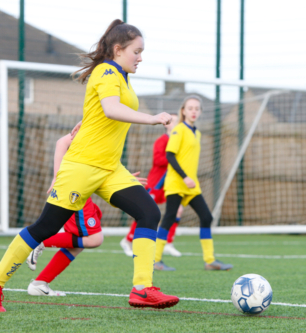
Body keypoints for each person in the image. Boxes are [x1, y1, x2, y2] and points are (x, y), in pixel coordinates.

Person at [0, 19, 179, 312]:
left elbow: (101, 115)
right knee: (45, 227)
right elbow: (111, 110)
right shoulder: (106, 71)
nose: (140, 57)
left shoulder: (121, 76)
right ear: (119, 49)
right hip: (82, 166)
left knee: (149, 212)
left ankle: (142, 289)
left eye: (142, 52)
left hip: (110, 168)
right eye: (137, 51)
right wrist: (153, 118)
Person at [25, 132, 147, 297]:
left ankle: (40, 283)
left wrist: (120, 179)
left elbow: (97, 164)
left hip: (82, 189)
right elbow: (62, 142)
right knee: (94, 238)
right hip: (75, 190)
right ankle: (39, 241)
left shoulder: (111, 129)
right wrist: (57, 177)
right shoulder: (97, 120)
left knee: (79, 243)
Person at [153, 95, 233, 271]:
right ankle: (155, 260)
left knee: (206, 217)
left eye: (197, 108)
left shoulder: (196, 132)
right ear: (183, 111)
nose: (194, 111)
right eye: (190, 108)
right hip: (176, 182)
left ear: (200, 112)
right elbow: (170, 155)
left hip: (192, 185)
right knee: (169, 218)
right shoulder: (178, 129)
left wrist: (190, 179)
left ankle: (210, 261)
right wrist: (184, 177)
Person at [120, 114, 184, 258]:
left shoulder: (180, 141)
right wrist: (174, 158)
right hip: (156, 183)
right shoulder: (162, 141)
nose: (176, 123)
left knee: (178, 210)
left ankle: (168, 242)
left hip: (170, 184)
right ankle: (128, 240)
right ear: (166, 124)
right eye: (173, 121)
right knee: (145, 211)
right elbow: (158, 160)